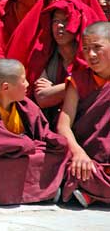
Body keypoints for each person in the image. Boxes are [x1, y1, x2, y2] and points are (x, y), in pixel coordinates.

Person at [0, 58, 69, 205]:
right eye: (23, 81)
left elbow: (44, 134)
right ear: (5, 87)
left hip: (25, 155)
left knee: (58, 151)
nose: (28, 84)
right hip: (2, 160)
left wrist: (53, 142)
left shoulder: (27, 106)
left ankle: (46, 190)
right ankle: (42, 192)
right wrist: (19, 144)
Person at [7, 0, 103, 125]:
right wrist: (80, 84)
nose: (59, 26)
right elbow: (43, 97)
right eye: (55, 21)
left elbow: (96, 84)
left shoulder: (92, 55)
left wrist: (58, 89)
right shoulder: (45, 54)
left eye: (66, 20)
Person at [57, 21, 110, 207]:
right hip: (88, 159)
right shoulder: (78, 80)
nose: (91, 55)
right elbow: (63, 125)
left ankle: (91, 194)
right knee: (69, 167)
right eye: (86, 49)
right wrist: (79, 152)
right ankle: (93, 191)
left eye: (97, 48)